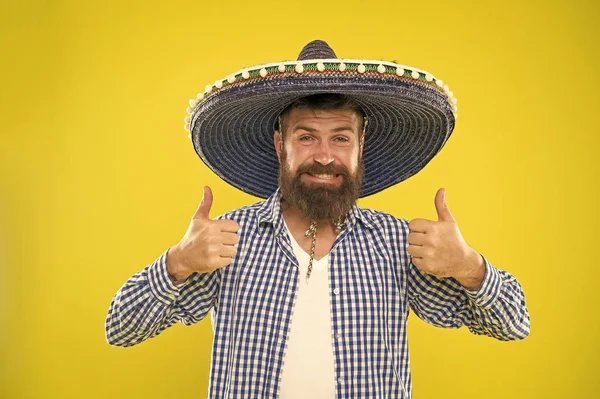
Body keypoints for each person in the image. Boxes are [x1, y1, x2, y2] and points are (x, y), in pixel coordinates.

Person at [105, 40, 530, 399]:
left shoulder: (398, 244)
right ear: (280, 145)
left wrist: (469, 268)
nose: (324, 156)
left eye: (340, 138)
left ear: (361, 145)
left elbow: (514, 324)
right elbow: (120, 329)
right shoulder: (227, 239)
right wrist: (177, 262)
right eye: (306, 137)